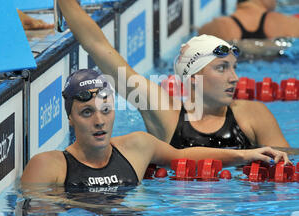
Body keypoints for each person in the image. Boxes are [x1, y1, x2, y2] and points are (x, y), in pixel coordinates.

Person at [16, 0, 291, 155]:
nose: (234, 77)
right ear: (193, 77)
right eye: (221, 68)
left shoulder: (253, 114)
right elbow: (97, 45)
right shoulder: (165, 113)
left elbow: (288, 167)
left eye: (233, 67)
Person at [21, 68, 290, 188]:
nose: (99, 121)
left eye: (106, 111)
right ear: (70, 117)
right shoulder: (49, 165)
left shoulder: (137, 146)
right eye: (86, 113)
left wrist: (244, 156)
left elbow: (184, 156)